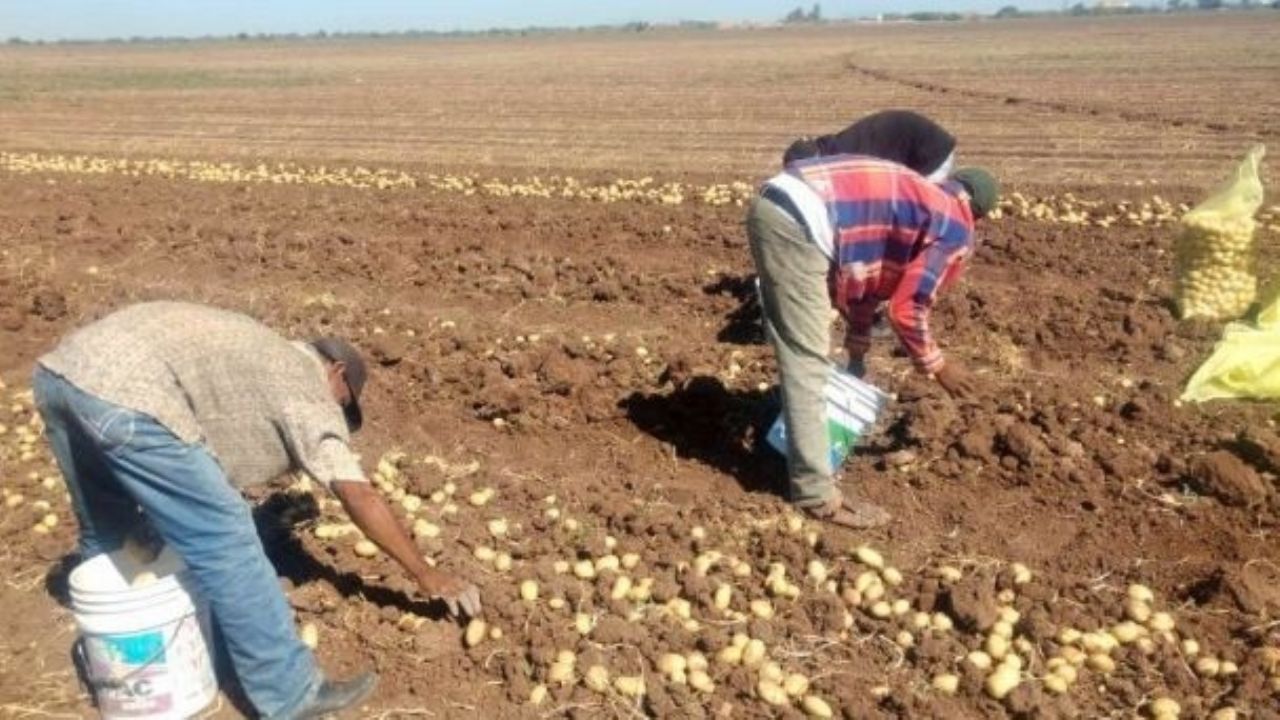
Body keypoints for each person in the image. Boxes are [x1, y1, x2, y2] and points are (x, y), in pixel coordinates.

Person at [33, 301, 482, 719]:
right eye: (344, 405)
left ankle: (115, 661)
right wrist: (426, 573)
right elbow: (357, 494)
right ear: (336, 373)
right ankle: (289, 693)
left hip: (62, 374)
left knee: (111, 529)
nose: (337, 417)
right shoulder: (306, 385)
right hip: (129, 394)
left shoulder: (261, 353)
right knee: (227, 536)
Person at [747, 156, 998, 529]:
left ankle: (788, 430)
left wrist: (857, 352)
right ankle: (816, 495)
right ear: (979, 214)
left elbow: (865, 283)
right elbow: (906, 309)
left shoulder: (921, 204)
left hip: (780, 202)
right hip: (801, 221)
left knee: (805, 347)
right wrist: (938, 366)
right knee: (806, 356)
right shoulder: (956, 227)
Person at [783, 109, 957, 182]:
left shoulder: (846, 158)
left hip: (932, 153)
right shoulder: (839, 145)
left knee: (922, 208)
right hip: (925, 146)